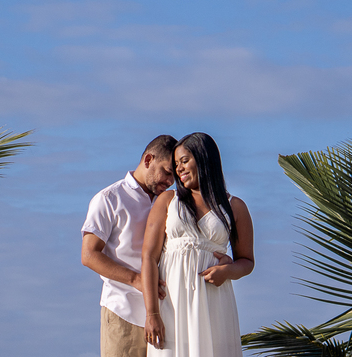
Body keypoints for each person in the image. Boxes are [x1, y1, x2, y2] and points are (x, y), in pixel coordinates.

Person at [141, 132, 255, 357]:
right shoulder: (168, 201)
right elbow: (148, 257)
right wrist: (152, 313)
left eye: (184, 161)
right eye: (176, 164)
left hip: (215, 302)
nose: (179, 169)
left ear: (204, 158)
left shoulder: (235, 207)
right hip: (172, 304)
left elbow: (247, 261)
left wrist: (228, 271)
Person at [83, 135, 179, 357]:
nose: (170, 181)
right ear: (148, 160)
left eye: (174, 176)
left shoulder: (172, 203)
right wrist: (137, 280)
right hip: (123, 313)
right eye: (167, 172)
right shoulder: (109, 198)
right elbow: (88, 255)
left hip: (168, 316)